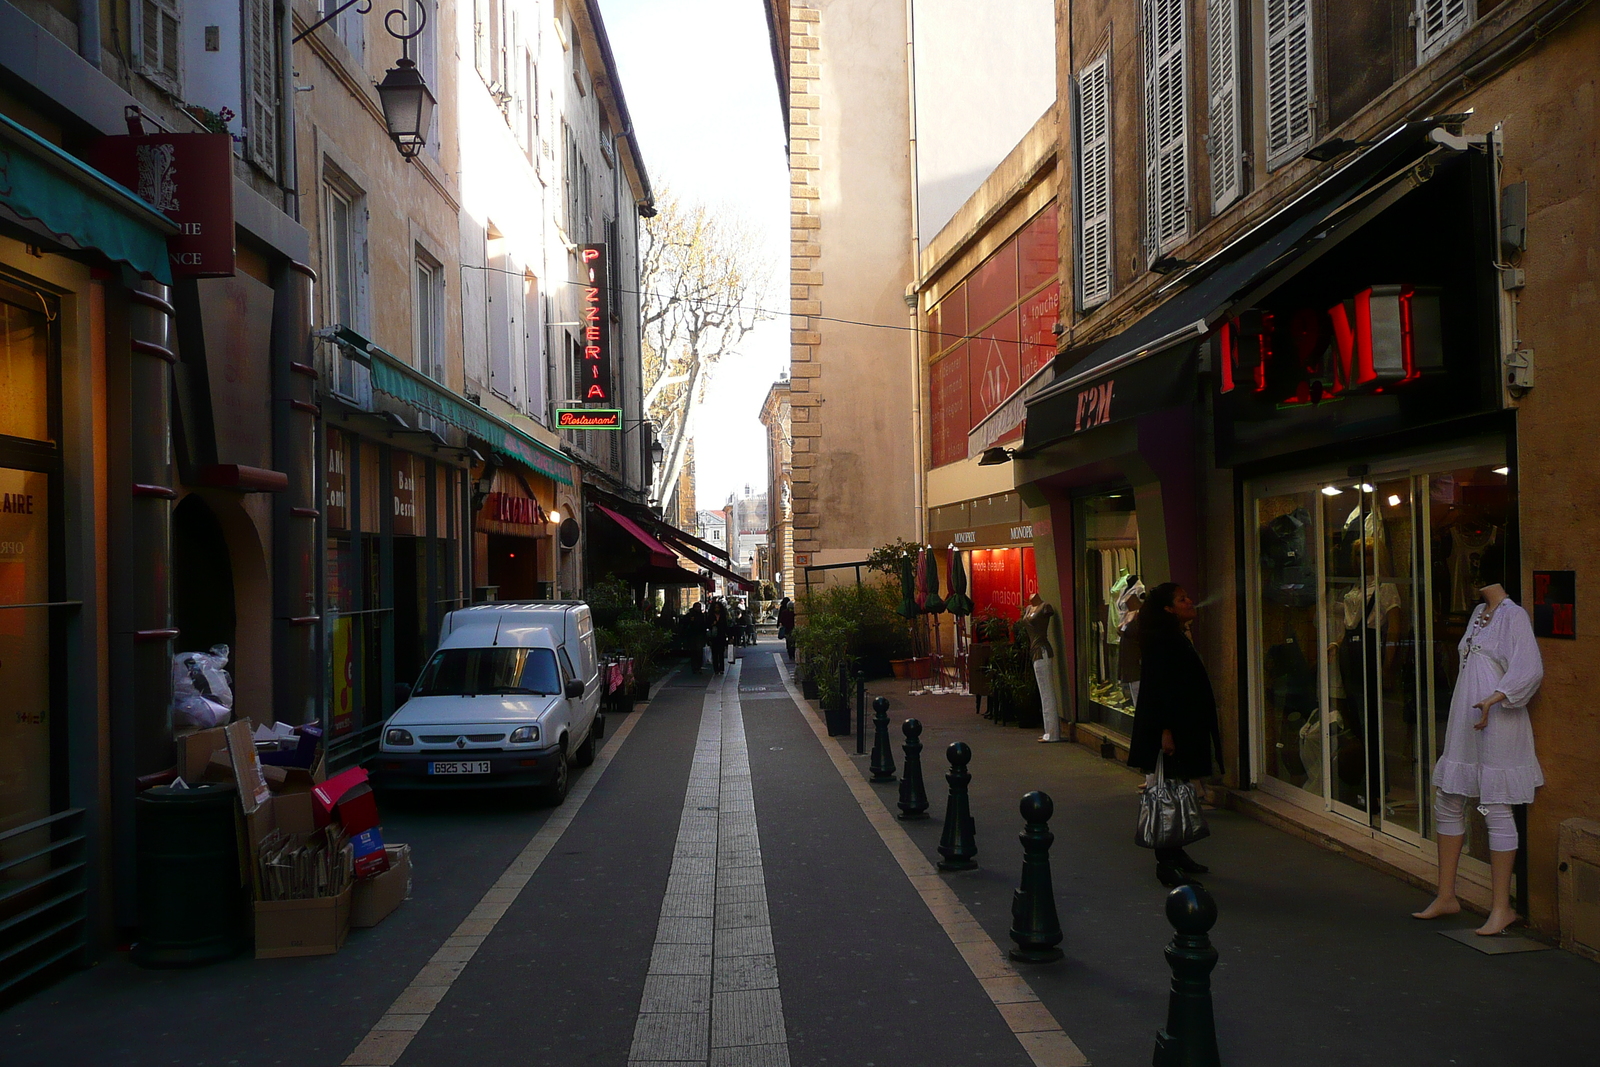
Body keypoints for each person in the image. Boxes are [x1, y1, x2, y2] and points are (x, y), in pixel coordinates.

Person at [1412, 575, 1543, 935]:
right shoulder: (1477, 613)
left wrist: (1494, 698)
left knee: (1495, 806)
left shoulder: (1514, 615)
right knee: (1449, 799)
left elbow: (1530, 668)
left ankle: (1502, 909)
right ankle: (1446, 894)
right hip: (1465, 719)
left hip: (1498, 722)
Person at [1126, 582, 1223, 888]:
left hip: (1184, 723)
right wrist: (1165, 731)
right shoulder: (1160, 639)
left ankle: (1177, 852)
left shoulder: (1174, 634)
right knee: (1168, 791)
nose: (1190, 601)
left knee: (1178, 787)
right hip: (1171, 728)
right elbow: (1158, 685)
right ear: (1168, 609)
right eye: (1182, 599)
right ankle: (1166, 861)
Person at [708, 600, 732, 675]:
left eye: (718, 607)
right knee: (714, 653)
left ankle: (721, 668)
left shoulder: (723, 616)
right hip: (713, 636)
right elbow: (707, 625)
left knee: (721, 653)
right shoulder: (710, 616)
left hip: (721, 636)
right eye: (715, 608)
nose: (717, 609)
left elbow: (726, 626)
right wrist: (712, 624)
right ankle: (716, 669)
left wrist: (730, 636)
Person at [683, 602, 708, 675]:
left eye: (699, 607)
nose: (698, 608)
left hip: (698, 635)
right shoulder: (690, 615)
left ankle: (698, 667)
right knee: (695, 652)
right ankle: (695, 667)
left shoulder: (702, 615)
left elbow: (704, 625)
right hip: (693, 635)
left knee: (698, 652)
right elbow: (685, 624)